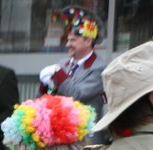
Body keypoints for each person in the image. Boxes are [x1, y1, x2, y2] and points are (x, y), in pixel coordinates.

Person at [38, 8, 105, 140]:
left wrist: (58, 75)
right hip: (61, 136)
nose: (68, 44)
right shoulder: (63, 64)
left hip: (86, 137)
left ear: (88, 41)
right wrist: (44, 87)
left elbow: (77, 94)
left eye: (73, 40)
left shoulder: (99, 68)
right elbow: (46, 99)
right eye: (68, 40)